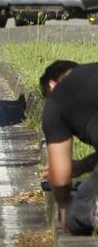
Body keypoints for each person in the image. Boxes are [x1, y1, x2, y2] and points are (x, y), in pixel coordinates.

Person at [40, 60, 98, 235]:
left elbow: (60, 180)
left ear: (52, 85)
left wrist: (64, 206)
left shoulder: (56, 100)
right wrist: (81, 166)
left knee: (75, 213)